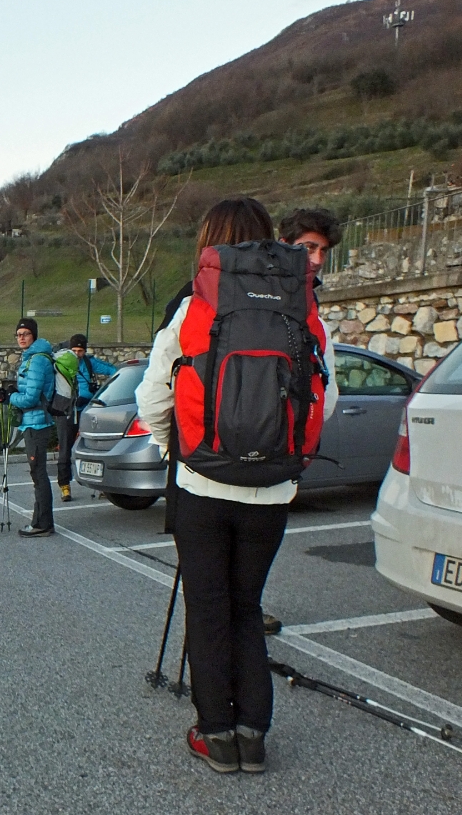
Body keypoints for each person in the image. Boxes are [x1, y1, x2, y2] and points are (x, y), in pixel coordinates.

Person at [136, 198, 339, 774]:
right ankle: (254, 734)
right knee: (246, 607)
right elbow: (328, 399)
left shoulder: (195, 307)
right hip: (271, 491)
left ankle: (216, 734)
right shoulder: (304, 312)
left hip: (203, 483)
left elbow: (152, 395)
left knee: (208, 608)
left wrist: (172, 447)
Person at [0, 317, 56, 537]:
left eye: (25, 334)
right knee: (37, 472)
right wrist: (12, 393)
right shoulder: (31, 357)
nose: (21, 337)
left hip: (37, 422)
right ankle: (41, 521)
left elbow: (31, 398)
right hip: (33, 421)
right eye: (18, 334)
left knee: (38, 473)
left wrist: (11, 397)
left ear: (34, 335)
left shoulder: (38, 360)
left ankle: (42, 524)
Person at [56, 334, 116, 501]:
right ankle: (65, 486)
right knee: (65, 449)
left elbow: (114, 372)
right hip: (68, 411)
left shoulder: (89, 363)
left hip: (88, 410)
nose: (77, 354)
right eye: (74, 350)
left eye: (80, 351)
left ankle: (103, 485)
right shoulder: (62, 363)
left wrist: (100, 394)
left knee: (97, 448)